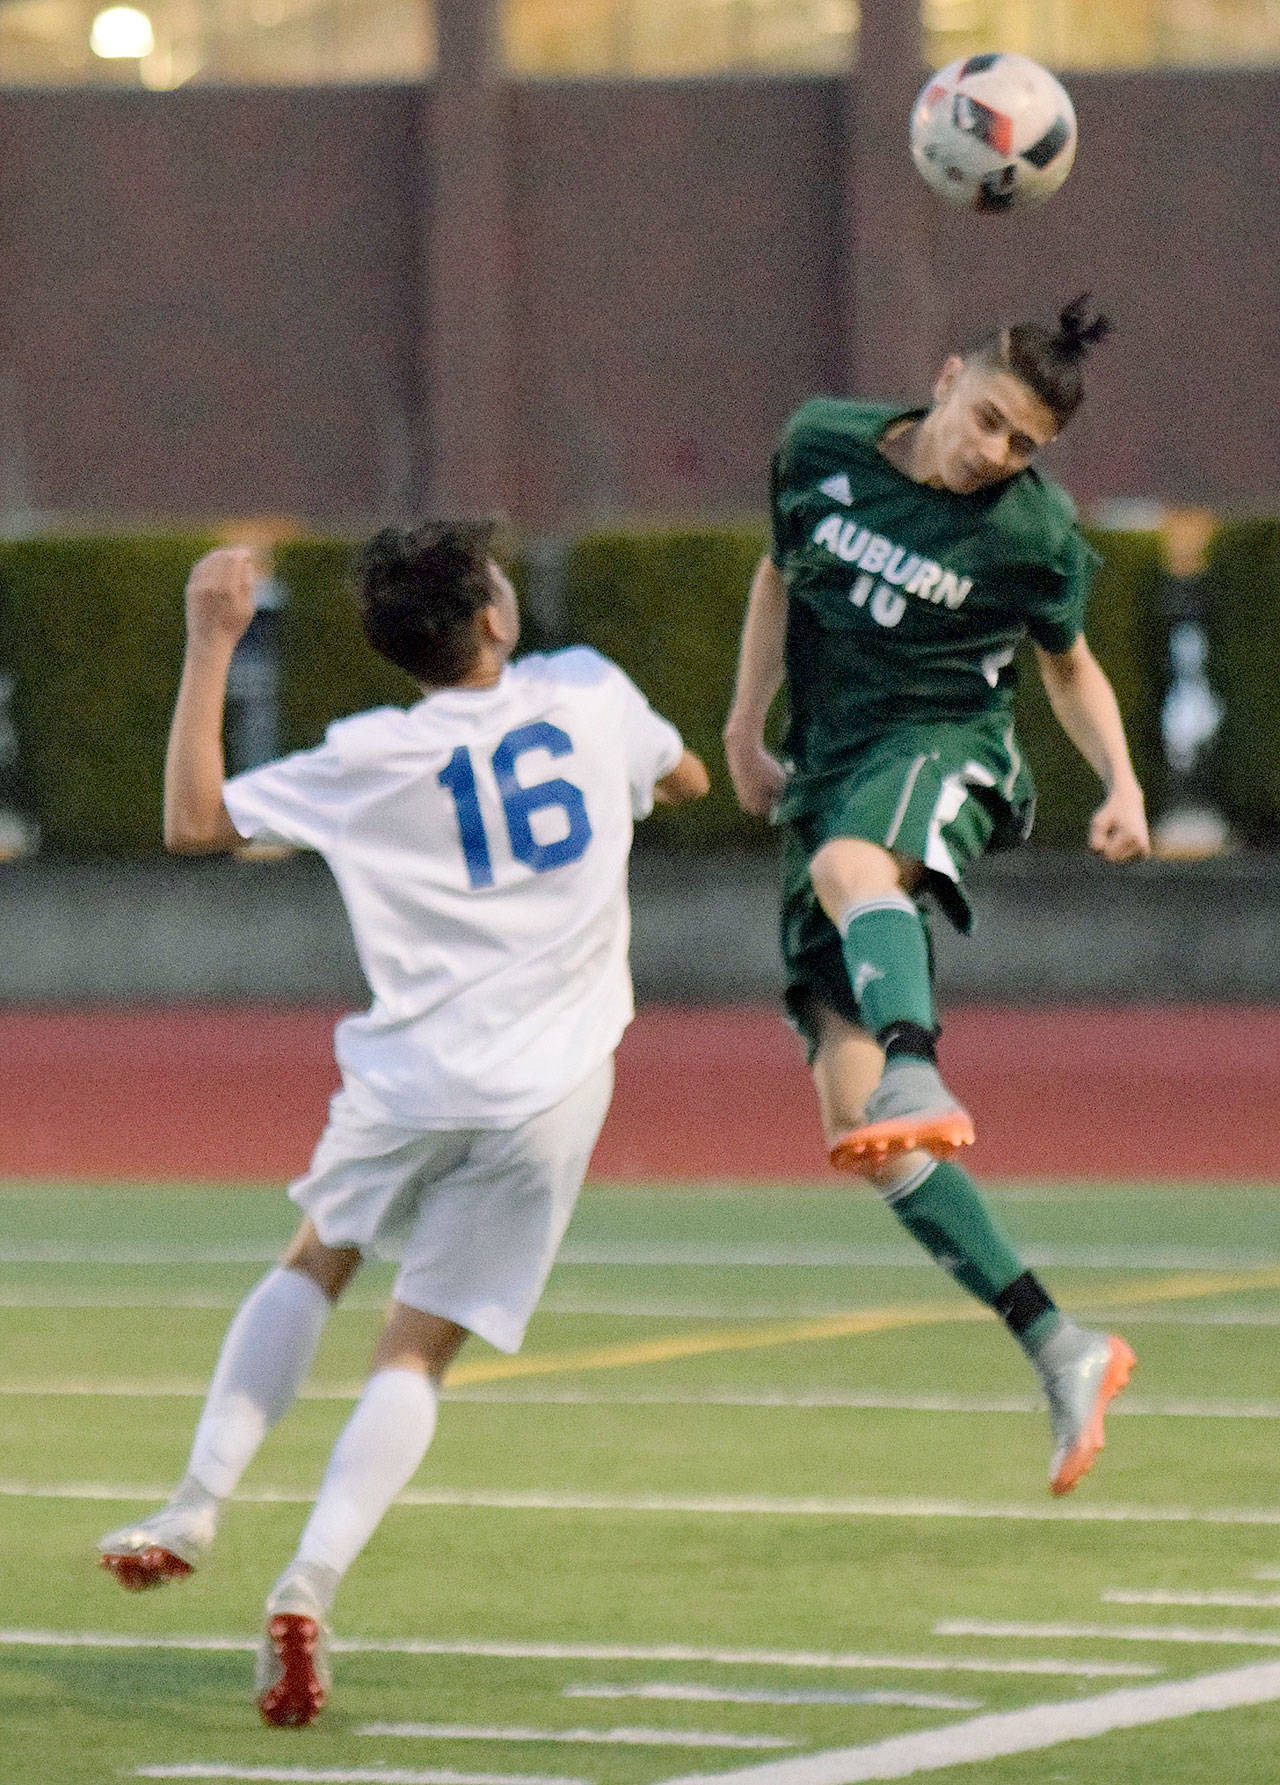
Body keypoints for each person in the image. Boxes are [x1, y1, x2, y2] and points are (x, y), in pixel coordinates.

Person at [97, 523, 708, 1726]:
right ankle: (309, 1583)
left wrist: (211, 638)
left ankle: (194, 1502)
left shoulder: (369, 753)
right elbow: (684, 779)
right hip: (548, 1090)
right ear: (491, 618)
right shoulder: (588, 692)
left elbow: (192, 822)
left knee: (315, 1260)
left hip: (406, 1078)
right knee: (414, 1352)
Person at [722, 295, 1146, 1498]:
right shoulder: (819, 447)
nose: (994, 454)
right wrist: (743, 726)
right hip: (828, 769)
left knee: (855, 875)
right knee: (862, 1132)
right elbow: (775, 576)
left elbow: (1068, 668)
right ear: (946, 378)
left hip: (942, 746)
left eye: (1021, 446)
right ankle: (1057, 1342)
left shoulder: (1031, 534)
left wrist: (1118, 781)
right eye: (989, 423)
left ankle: (919, 1051)